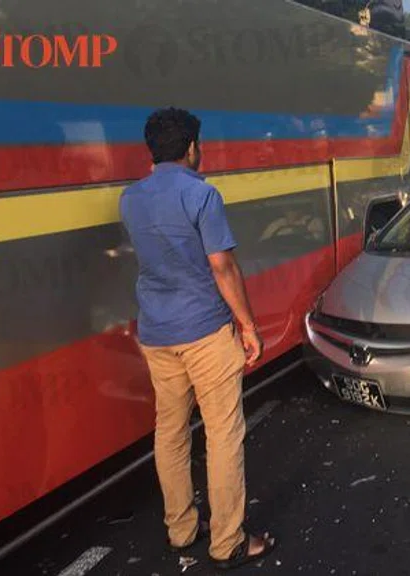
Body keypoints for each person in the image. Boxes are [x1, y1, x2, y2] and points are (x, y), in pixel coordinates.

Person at [119, 107, 276, 571]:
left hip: (156, 333)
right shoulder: (201, 195)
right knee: (223, 435)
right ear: (191, 148)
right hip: (205, 332)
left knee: (170, 432)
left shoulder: (130, 198)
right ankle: (228, 542)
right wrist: (248, 326)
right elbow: (222, 267)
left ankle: (182, 529)